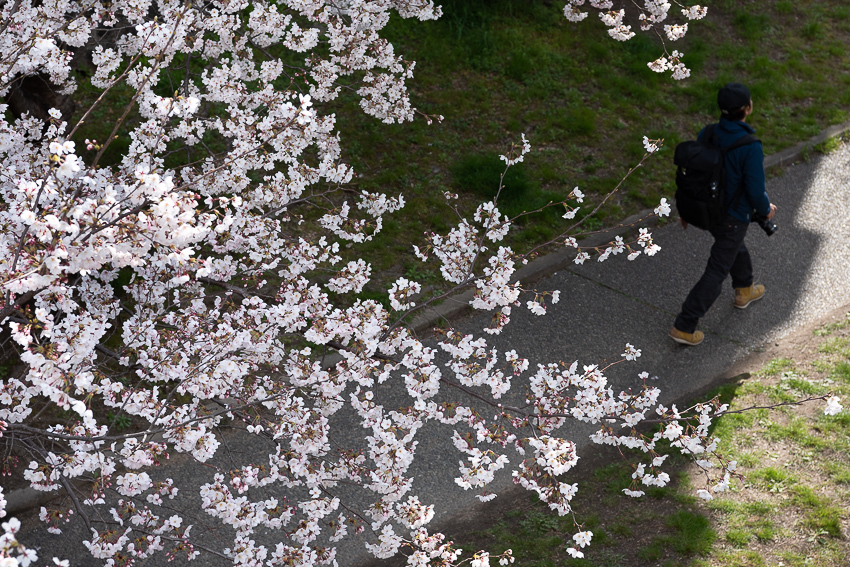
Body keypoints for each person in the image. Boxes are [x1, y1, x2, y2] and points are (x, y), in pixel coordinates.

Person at [670, 83, 777, 346]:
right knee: (717, 268)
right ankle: (685, 325)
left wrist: (685, 209)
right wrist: (766, 210)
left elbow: (696, 174)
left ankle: (744, 289)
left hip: (706, 211)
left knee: (733, 248)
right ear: (747, 108)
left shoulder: (708, 133)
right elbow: (755, 189)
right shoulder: (749, 146)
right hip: (733, 216)